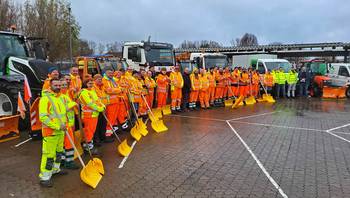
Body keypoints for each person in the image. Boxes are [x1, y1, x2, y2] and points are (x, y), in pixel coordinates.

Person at [39, 78, 68, 187]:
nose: (58, 87)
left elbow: (62, 113)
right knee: (48, 155)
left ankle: (56, 169)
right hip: (50, 132)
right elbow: (43, 117)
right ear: (50, 86)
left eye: (59, 85)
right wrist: (57, 126)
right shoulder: (45, 99)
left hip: (61, 131)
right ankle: (45, 177)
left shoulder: (59, 98)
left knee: (59, 153)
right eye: (56, 85)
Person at [79, 76, 105, 154]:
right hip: (88, 115)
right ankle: (88, 148)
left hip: (94, 114)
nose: (91, 85)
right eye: (89, 83)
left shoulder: (92, 91)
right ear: (85, 84)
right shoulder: (84, 92)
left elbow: (97, 100)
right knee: (89, 132)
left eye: (92, 83)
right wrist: (100, 109)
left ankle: (89, 145)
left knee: (92, 131)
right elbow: (90, 104)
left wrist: (102, 105)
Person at [59, 77, 79, 169]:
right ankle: (68, 162)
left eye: (65, 85)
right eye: (62, 85)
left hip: (69, 122)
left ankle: (65, 160)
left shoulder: (66, 94)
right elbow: (64, 108)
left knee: (67, 143)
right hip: (63, 123)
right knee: (66, 143)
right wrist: (73, 104)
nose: (64, 86)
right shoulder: (58, 96)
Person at [102, 67, 121, 142]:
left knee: (113, 118)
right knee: (110, 118)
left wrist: (116, 90)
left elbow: (118, 88)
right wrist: (118, 90)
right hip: (110, 102)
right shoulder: (104, 80)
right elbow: (108, 90)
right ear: (105, 73)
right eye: (109, 73)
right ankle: (108, 134)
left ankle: (111, 132)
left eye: (112, 73)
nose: (111, 74)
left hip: (115, 101)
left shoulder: (112, 80)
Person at [92, 74, 108, 145]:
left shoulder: (102, 86)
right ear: (94, 80)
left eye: (101, 79)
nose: (100, 80)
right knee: (97, 125)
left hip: (103, 107)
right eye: (98, 79)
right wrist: (100, 107)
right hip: (97, 109)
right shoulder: (93, 88)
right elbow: (95, 99)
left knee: (103, 123)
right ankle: (97, 140)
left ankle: (103, 137)